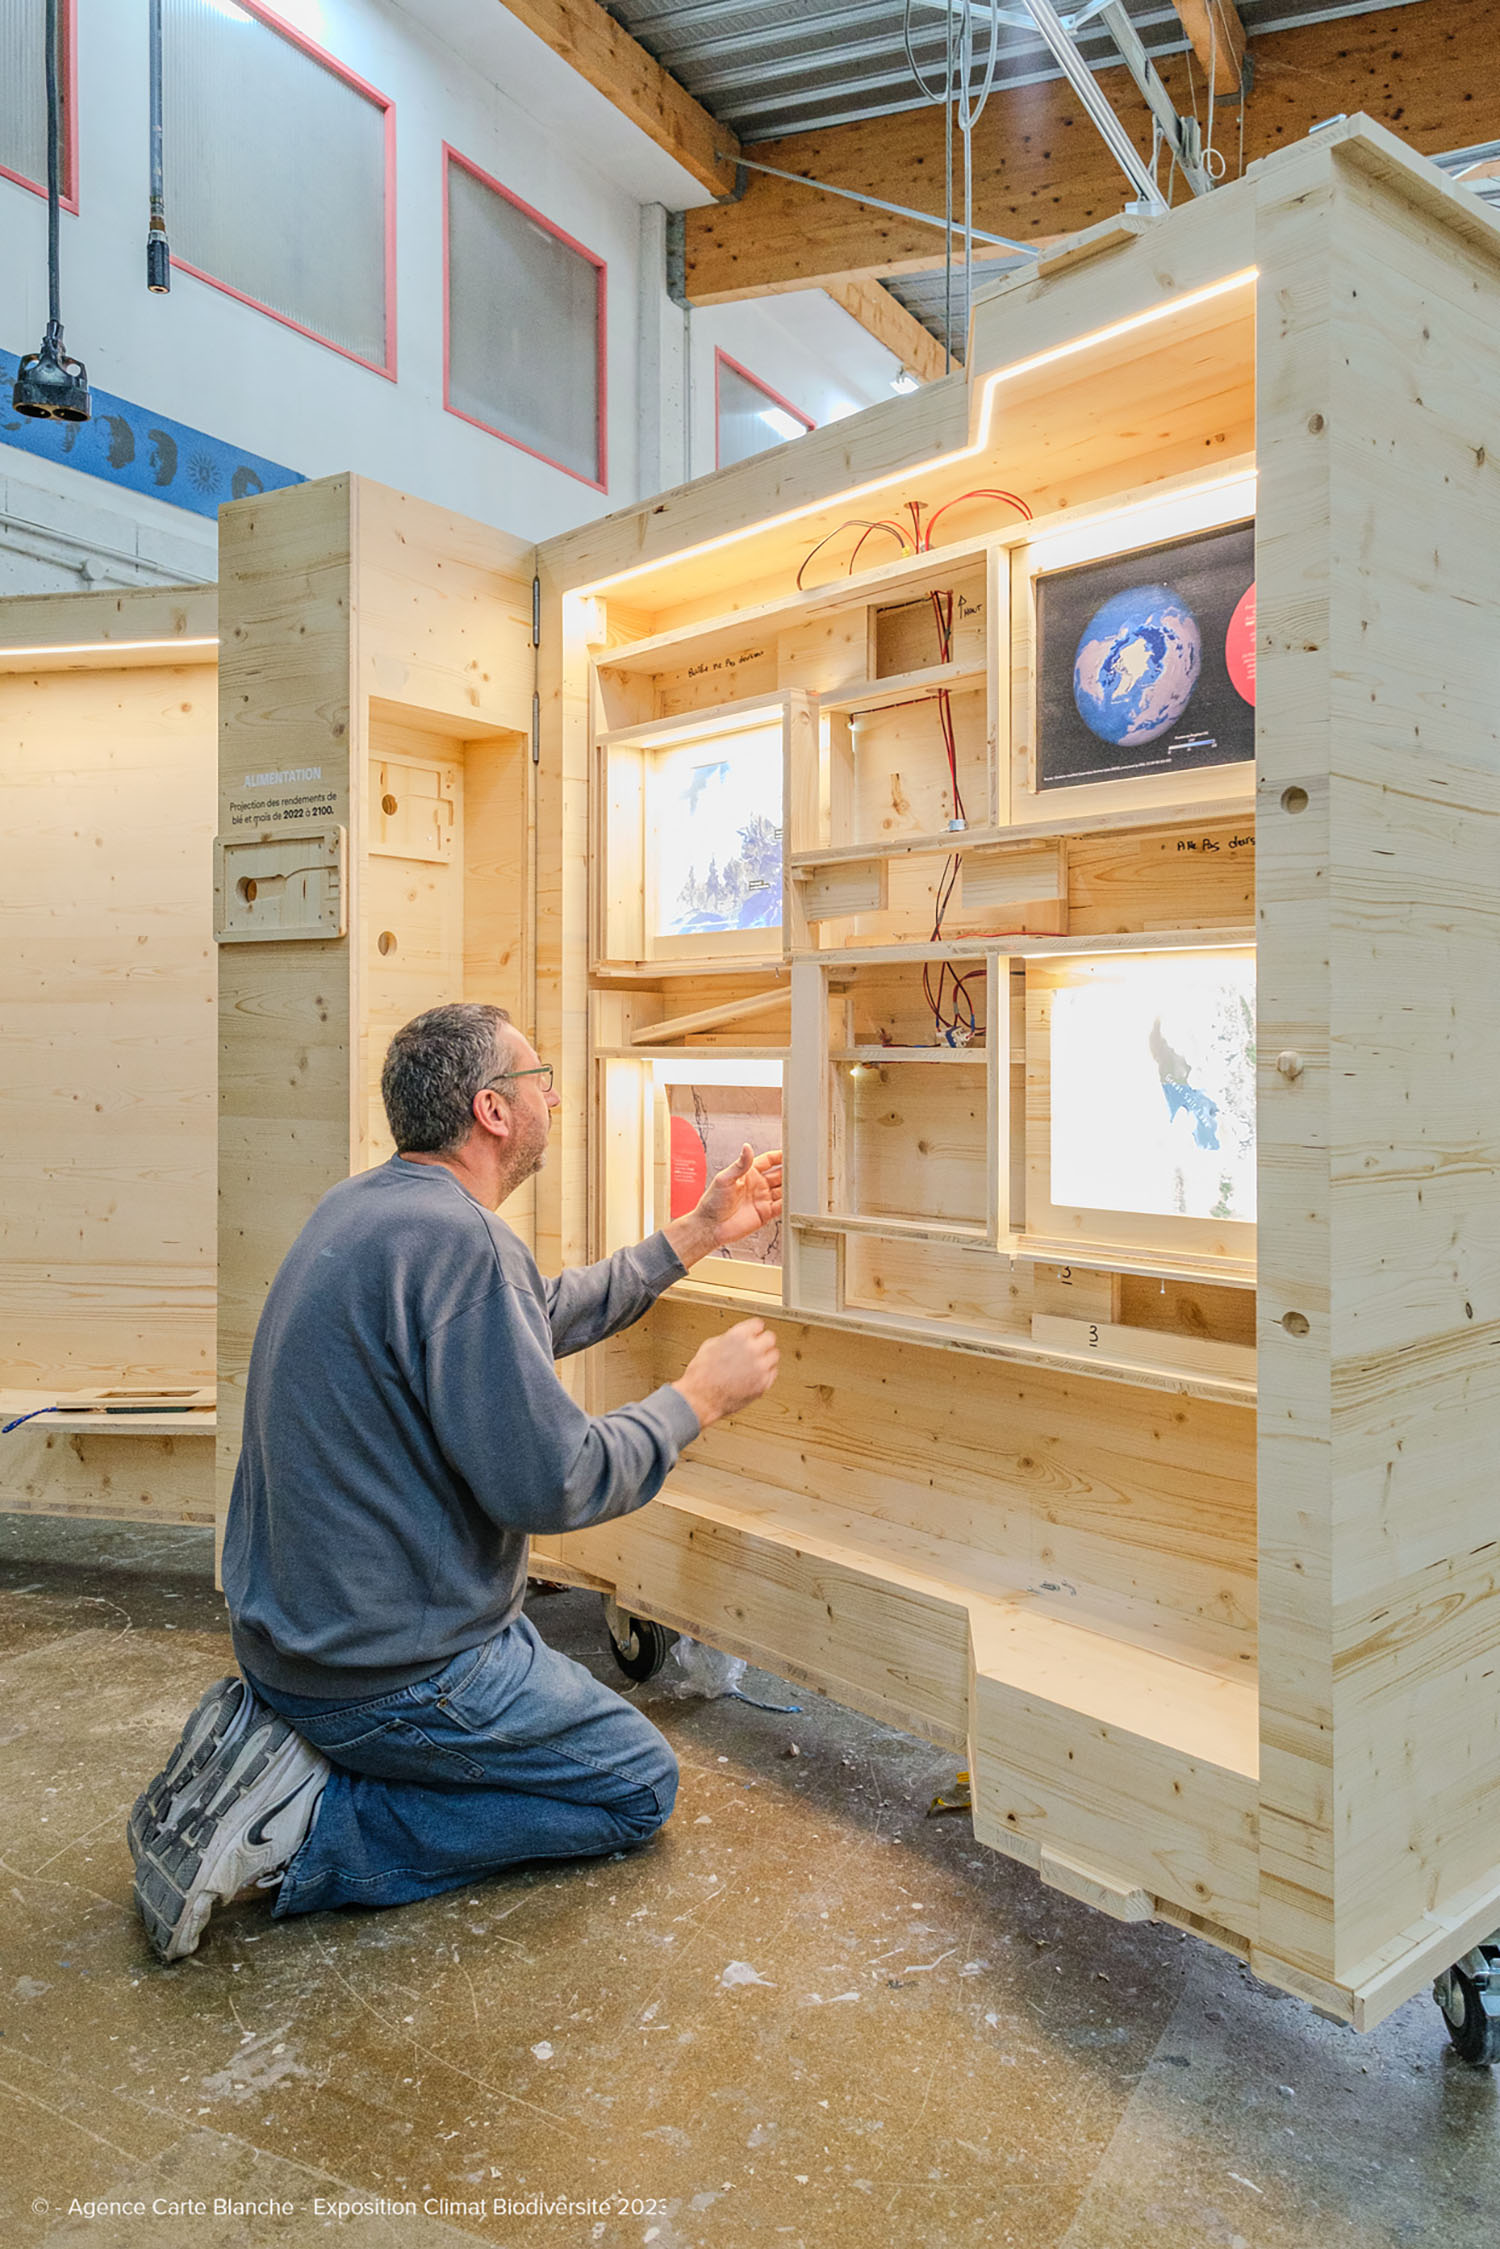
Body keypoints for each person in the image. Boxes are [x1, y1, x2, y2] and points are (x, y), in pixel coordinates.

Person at [129, 1003, 781, 1961]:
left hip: (290, 1642)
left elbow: (526, 1315)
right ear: (493, 1110)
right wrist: (696, 1399)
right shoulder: (463, 1243)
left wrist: (695, 1233)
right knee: (635, 1784)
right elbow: (559, 1483)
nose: (554, 1095)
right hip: (385, 1672)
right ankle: (309, 1827)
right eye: (539, 1078)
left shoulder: (369, 1207)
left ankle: (279, 1752)